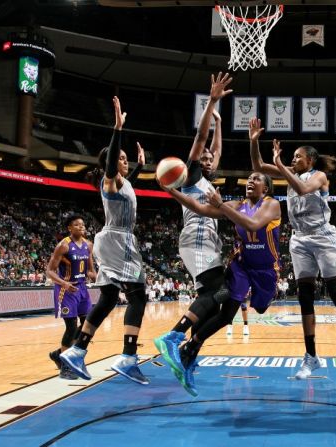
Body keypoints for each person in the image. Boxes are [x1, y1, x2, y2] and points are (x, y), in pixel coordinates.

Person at [248, 117, 336, 379]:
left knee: (335, 292)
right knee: (304, 297)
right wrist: (254, 142)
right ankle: (311, 356)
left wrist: (279, 165)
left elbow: (300, 188)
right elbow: (257, 166)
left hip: (323, 237)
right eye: (293, 157)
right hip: (299, 238)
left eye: (298, 157)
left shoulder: (318, 176)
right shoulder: (291, 173)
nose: (293, 160)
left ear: (310, 161)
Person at [159, 170, 281, 395]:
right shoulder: (236, 204)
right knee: (225, 310)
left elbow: (254, 225)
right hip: (242, 264)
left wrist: (222, 206)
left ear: (266, 188)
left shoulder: (272, 205)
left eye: (256, 179)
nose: (250, 181)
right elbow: (201, 208)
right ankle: (191, 345)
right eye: (249, 178)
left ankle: (189, 345)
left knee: (261, 308)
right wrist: (172, 191)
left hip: (265, 269)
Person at [59, 96, 151, 385]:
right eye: (121, 158)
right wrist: (117, 128)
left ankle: (76, 350)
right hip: (118, 242)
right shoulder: (110, 179)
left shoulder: (122, 183)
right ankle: (128, 356)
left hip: (109, 241)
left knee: (110, 297)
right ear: (111, 163)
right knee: (139, 296)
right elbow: (112, 164)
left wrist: (139, 165)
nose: (123, 162)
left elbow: (125, 176)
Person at [153, 72, 233, 392]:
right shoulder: (191, 175)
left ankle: (188, 352)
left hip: (206, 241)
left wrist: (220, 124)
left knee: (218, 299)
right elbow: (202, 140)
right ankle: (174, 337)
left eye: (214, 157)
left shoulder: (208, 180)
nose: (211, 157)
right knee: (219, 289)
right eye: (207, 157)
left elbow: (215, 145)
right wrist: (211, 101)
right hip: (196, 236)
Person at [46, 215, 97, 380]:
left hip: (82, 288)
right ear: (69, 228)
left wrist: (98, 277)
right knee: (71, 327)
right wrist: (64, 284)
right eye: (77, 224)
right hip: (66, 289)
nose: (81, 227)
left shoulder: (89, 244)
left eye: (82, 224)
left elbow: (90, 270)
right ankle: (67, 366)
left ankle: (60, 354)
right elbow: (50, 271)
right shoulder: (63, 246)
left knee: (87, 326)